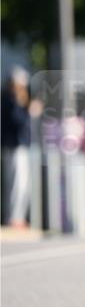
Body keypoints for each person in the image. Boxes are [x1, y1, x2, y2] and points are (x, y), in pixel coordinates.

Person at [1, 67, 42, 228]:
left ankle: (18, 217)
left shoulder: (17, 100)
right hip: (14, 146)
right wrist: (30, 111)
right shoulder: (9, 100)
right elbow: (17, 121)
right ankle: (13, 218)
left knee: (23, 184)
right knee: (16, 184)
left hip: (22, 146)